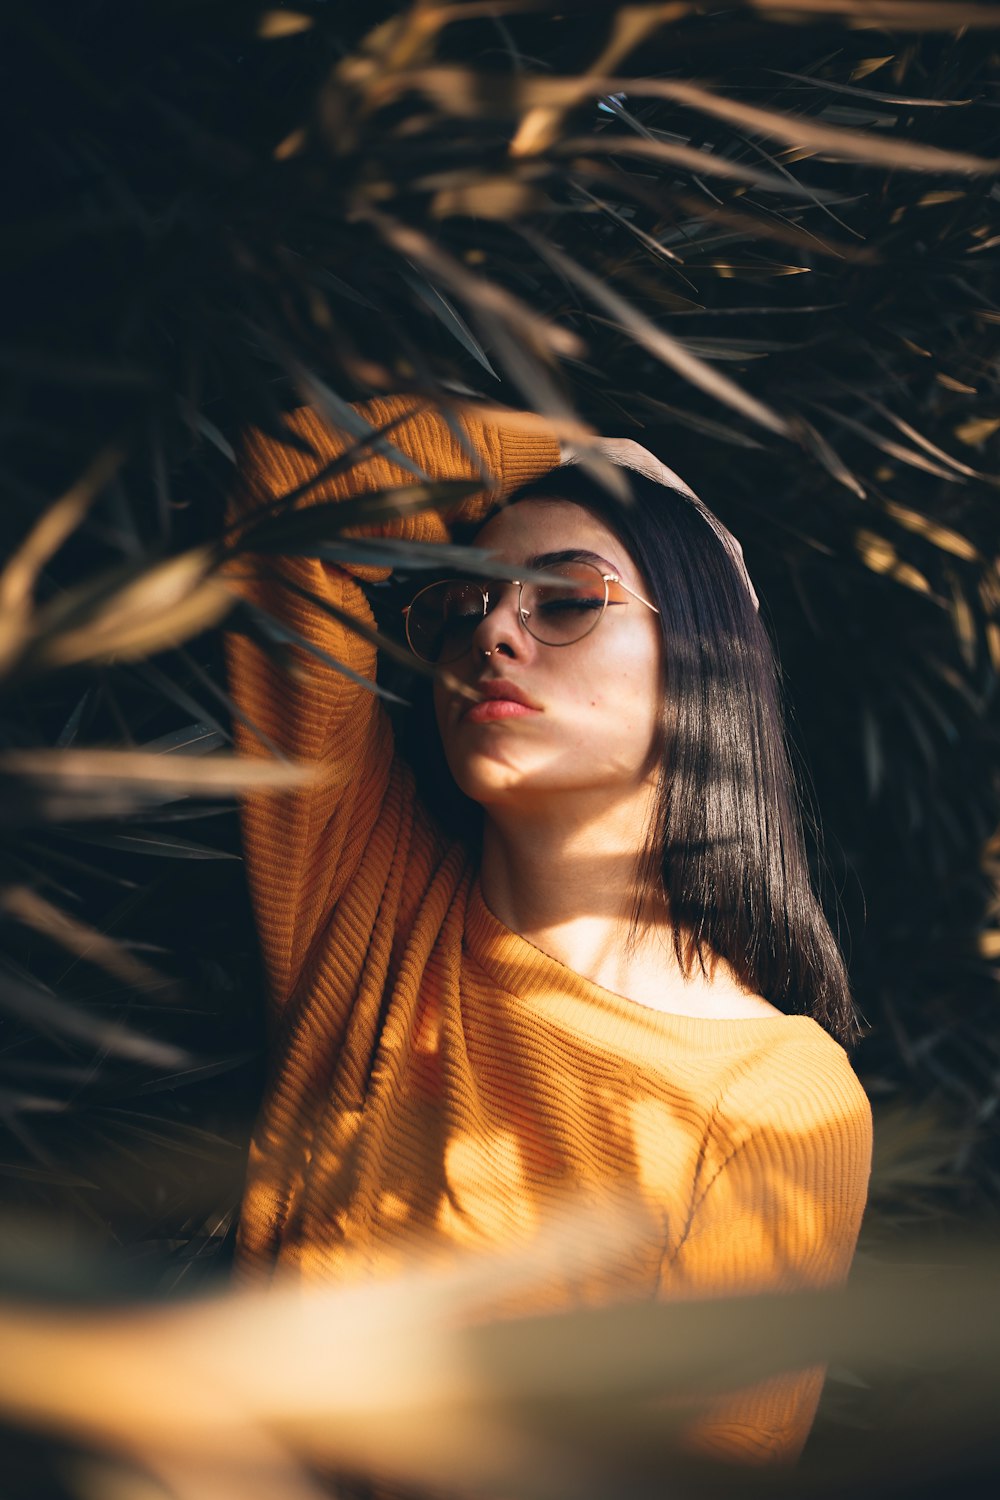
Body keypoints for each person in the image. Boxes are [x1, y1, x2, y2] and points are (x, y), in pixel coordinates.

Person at [226, 395, 872, 1467]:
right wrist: (567, 450)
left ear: (702, 662)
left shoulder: (776, 1107)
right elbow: (296, 473)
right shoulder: (367, 897)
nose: (492, 630)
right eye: (461, 605)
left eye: (567, 598)